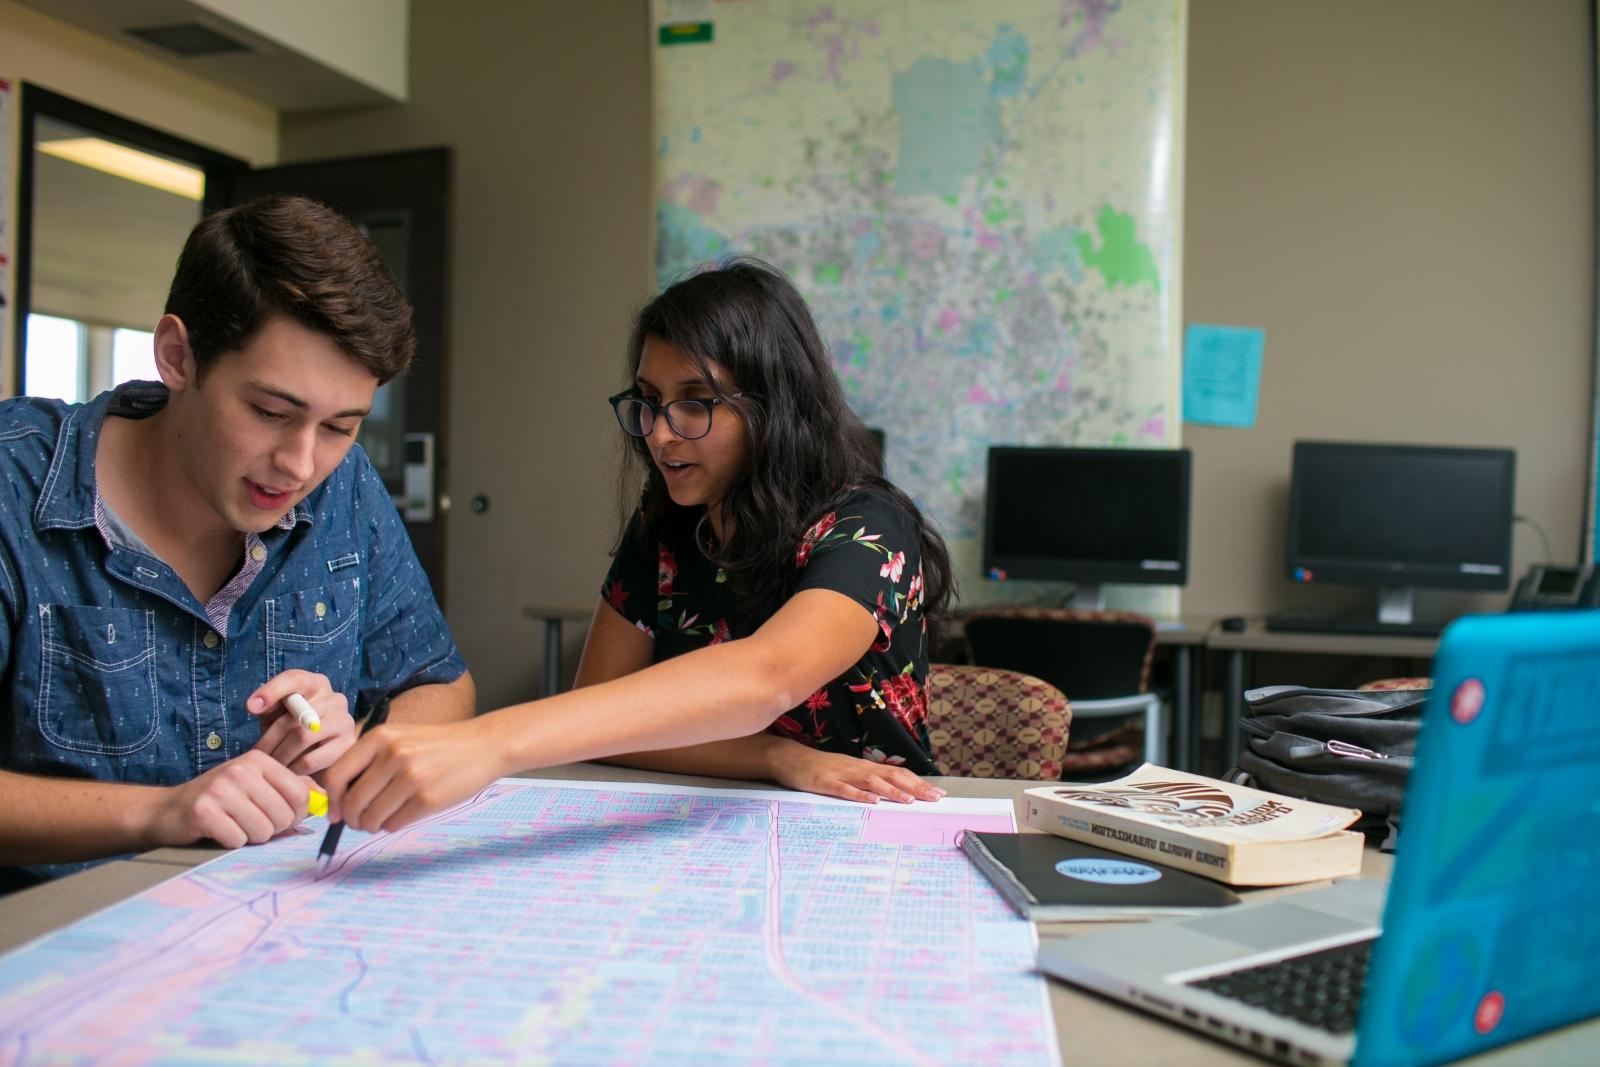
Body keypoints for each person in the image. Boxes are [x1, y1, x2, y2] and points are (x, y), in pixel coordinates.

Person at [323, 258, 953, 833]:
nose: (660, 434)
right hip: (713, 817)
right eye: (649, 403)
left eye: (696, 404)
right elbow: (602, 715)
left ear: (775, 407)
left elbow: (770, 675)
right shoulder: (667, 524)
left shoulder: (868, 525)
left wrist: (490, 742)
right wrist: (777, 757)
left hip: (878, 824)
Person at [0, 195, 474, 888]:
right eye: (270, 412)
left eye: (342, 426)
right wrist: (163, 812)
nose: (301, 464)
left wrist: (365, 752)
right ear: (176, 356)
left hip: (274, 925)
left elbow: (441, 686)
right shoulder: (13, 486)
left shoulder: (341, 488)